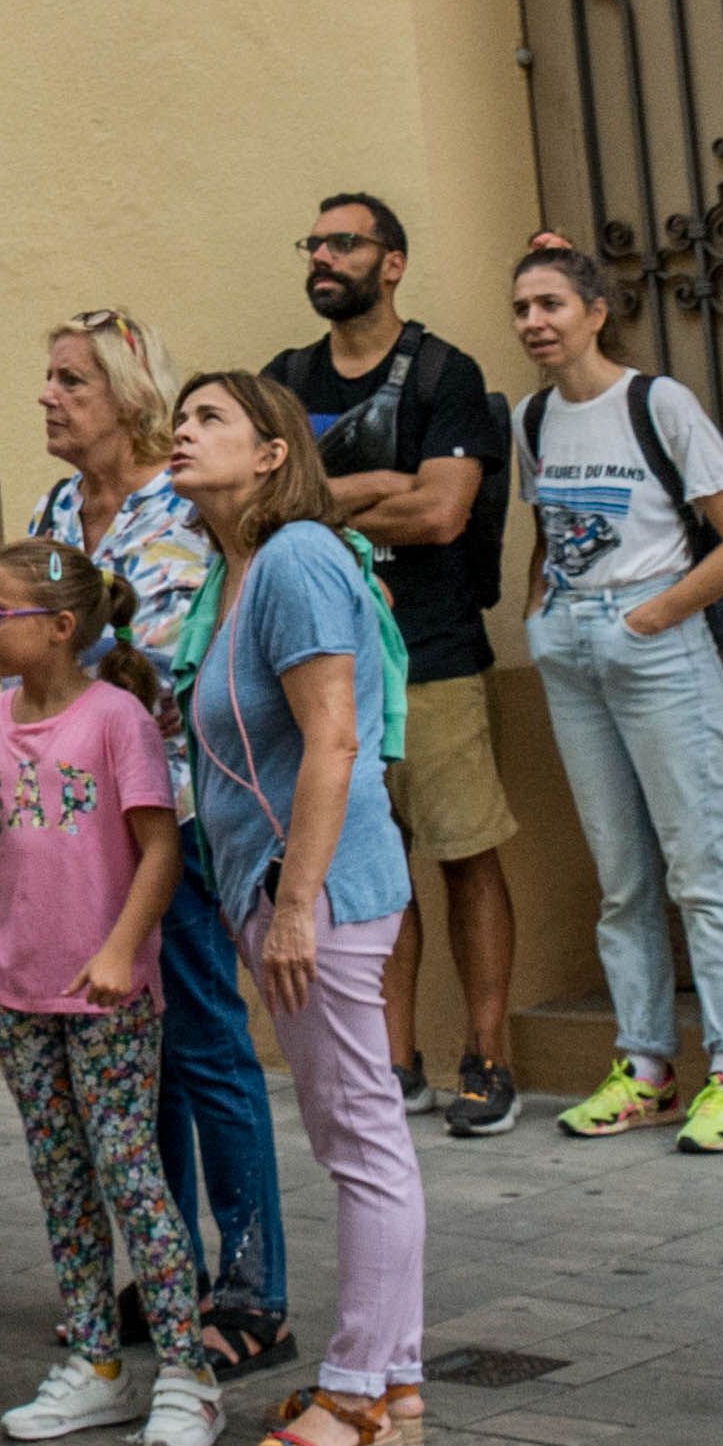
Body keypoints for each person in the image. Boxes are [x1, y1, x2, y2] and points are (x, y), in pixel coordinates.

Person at [169, 371, 425, 1446]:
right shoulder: (232, 573)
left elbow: (332, 744)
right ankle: (393, 1375)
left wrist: (295, 905)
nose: (183, 430)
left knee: (360, 1140)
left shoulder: (298, 559)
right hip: (280, 892)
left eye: (210, 416)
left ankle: (361, 1396)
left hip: (324, 895)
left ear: (273, 452)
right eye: (178, 416)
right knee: (348, 1133)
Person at [33, 310, 288, 1377]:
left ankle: (252, 1289)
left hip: (169, 816)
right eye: (46, 377)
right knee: (132, 1057)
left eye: (69, 379)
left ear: (128, 395)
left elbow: (169, 669)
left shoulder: (179, 508)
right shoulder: (59, 504)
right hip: (76, 819)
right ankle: (167, 1267)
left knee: (204, 1042)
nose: (47, 394)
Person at [507, 234, 723, 1153]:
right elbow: (548, 533)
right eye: (522, 308)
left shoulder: (657, 403)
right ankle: (646, 1068)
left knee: (699, 867)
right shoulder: (532, 419)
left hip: (656, 647)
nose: (534, 323)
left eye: (551, 304)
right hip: (574, 648)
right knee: (622, 877)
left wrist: (650, 617)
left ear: (596, 311)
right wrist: (541, 615)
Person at [0, 536, 219, 1446]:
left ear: (61, 627)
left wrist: (116, 951)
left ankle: (187, 1368)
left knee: (129, 1170)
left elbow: (161, 850)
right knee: (60, 1178)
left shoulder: (116, 720)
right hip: (16, 987)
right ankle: (96, 1362)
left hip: (104, 993)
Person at [265, 195, 522, 1138]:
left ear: (393, 261)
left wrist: (314, 506)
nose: (325, 256)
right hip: (329, 664)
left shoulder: (446, 373)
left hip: (435, 654)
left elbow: (443, 513)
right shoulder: (284, 380)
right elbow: (261, 509)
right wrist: (377, 485)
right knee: (375, 872)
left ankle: (488, 1057)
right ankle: (394, 1060)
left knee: (464, 854)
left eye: (345, 241)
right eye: (315, 242)